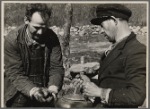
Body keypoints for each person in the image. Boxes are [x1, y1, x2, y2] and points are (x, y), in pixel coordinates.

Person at [79, 4, 146, 108]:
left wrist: (100, 92)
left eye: (102, 25)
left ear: (114, 21)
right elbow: (115, 79)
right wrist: (90, 81)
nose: (100, 30)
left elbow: (136, 95)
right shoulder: (116, 47)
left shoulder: (136, 50)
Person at [4, 4, 64, 107]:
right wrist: (34, 91)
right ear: (26, 20)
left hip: (44, 89)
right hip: (18, 91)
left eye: (44, 27)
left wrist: (52, 89)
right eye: (36, 27)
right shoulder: (12, 39)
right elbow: (15, 73)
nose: (40, 32)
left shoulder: (52, 37)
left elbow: (56, 67)